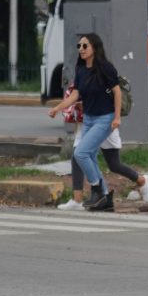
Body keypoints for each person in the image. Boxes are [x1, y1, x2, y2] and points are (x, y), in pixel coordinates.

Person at [48, 33, 120, 211]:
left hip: (105, 119)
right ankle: (104, 198)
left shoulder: (105, 68)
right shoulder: (81, 70)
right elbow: (75, 95)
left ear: (94, 47)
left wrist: (117, 117)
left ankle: (96, 188)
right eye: (79, 46)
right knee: (90, 156)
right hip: (88, 119)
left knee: (80, 154)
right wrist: (58, 108)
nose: (81, 49)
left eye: (85, 46)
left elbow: (117, 93)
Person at [57, 123, 148, 211]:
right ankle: (78, 200)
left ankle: (141, 180)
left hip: (104, 121)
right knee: (77, 155)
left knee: (114, 164)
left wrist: (59, 108)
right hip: (87, 121)